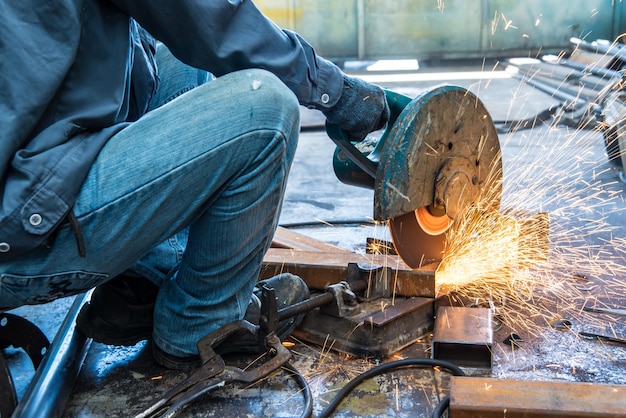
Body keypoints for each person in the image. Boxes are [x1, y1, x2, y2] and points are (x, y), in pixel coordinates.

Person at [0, 0, 389, 370]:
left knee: (173, 60)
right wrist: (334, 91)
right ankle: (200, 324)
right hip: (19, 231)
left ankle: (142, 289)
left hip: (27, 168)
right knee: (265, 107)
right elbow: (209, 18)